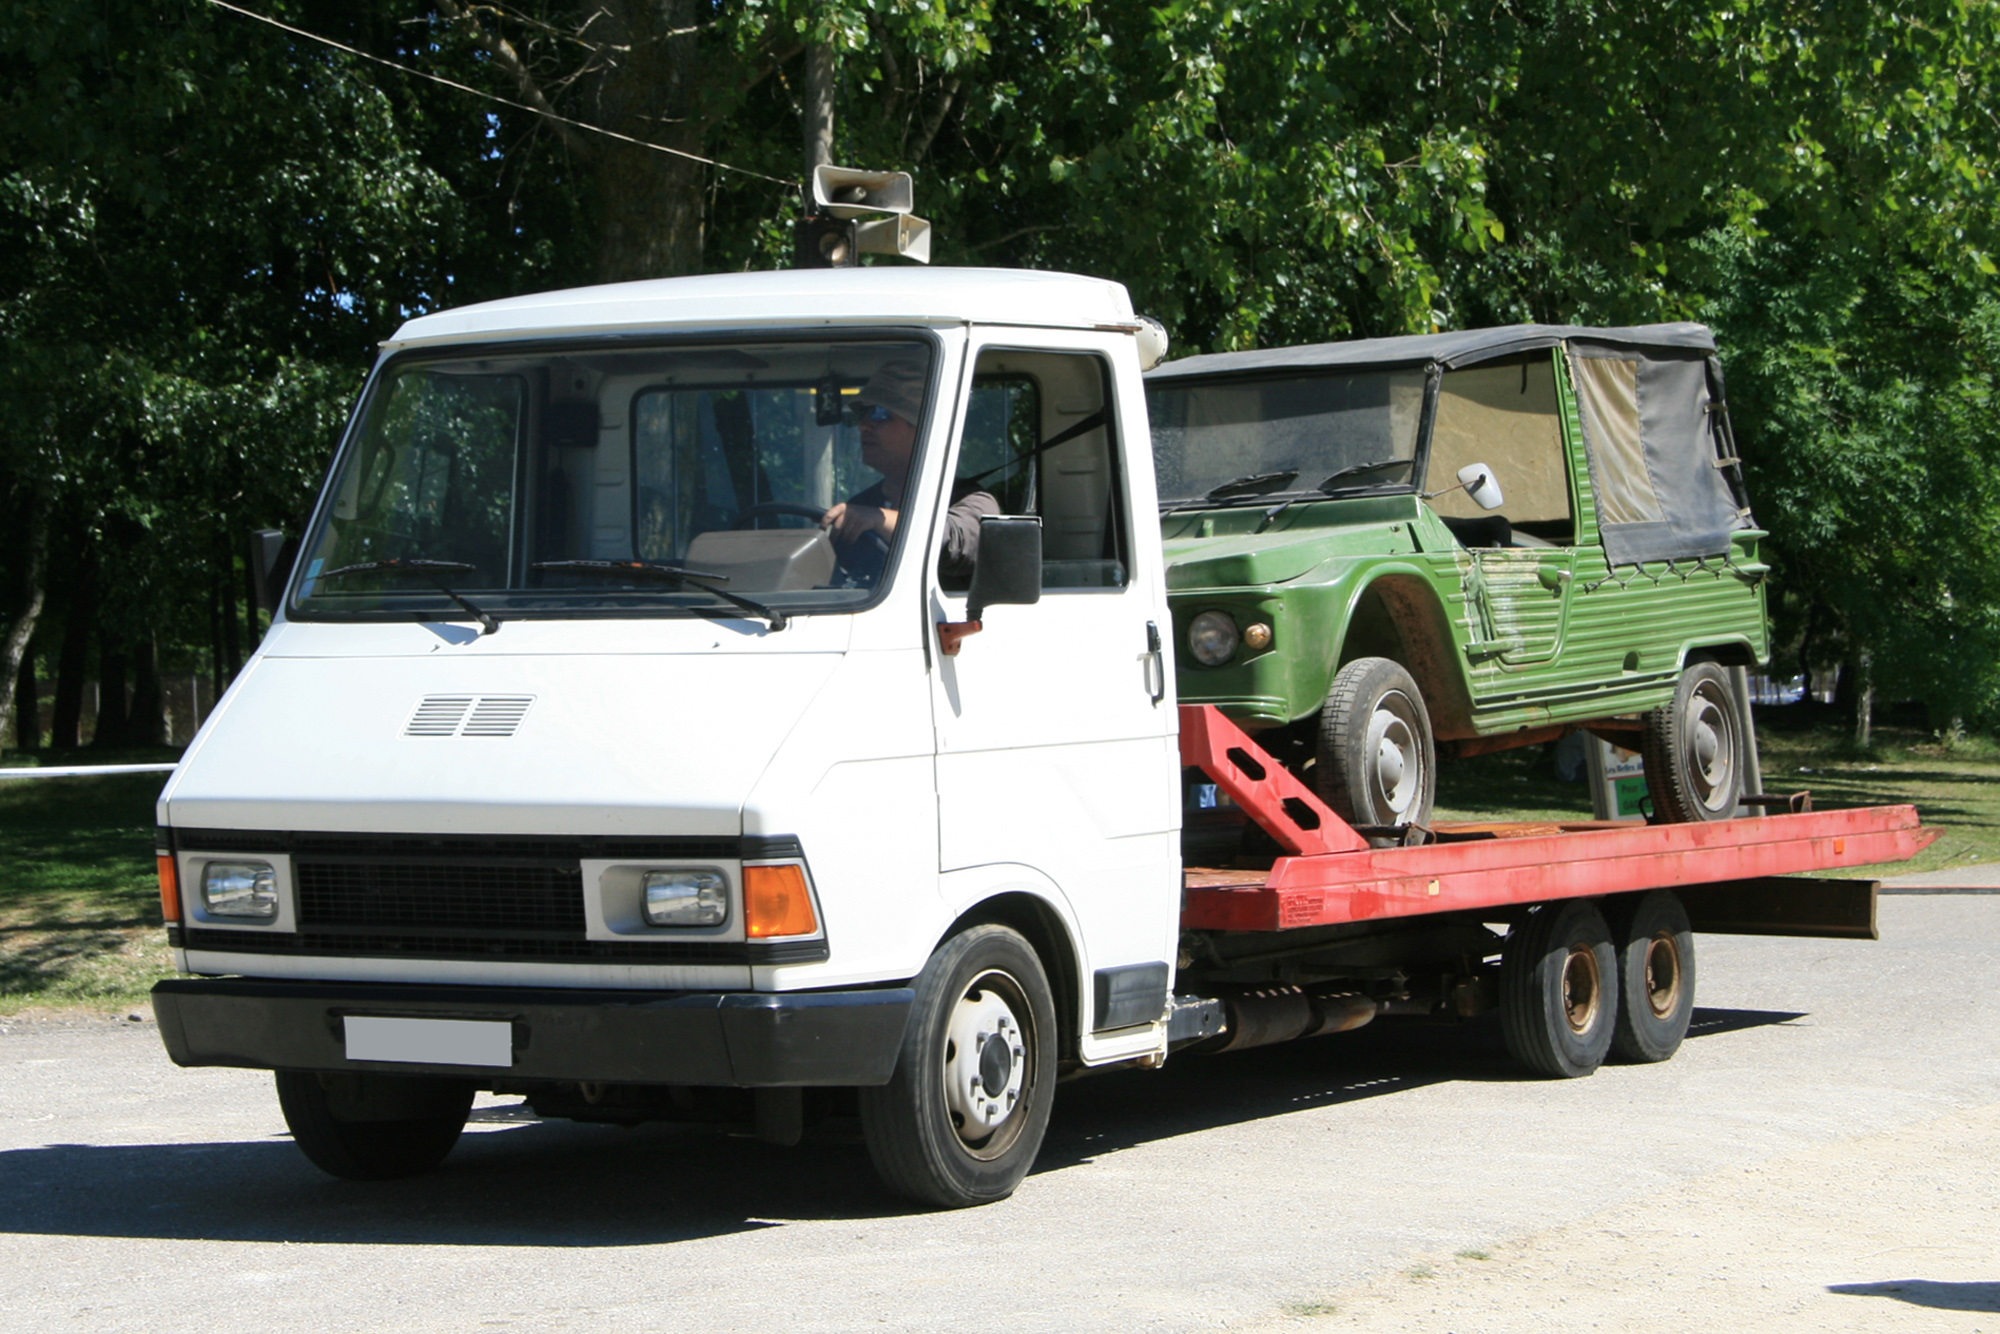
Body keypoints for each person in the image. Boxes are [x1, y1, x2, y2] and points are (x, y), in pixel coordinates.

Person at [821, 358, 999, 580]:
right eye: (862, 414)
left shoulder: (973, 500)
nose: (864, 425)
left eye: (879, 413)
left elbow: (955, 544)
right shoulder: (861, 507)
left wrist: (880, 520)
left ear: (922, 427)